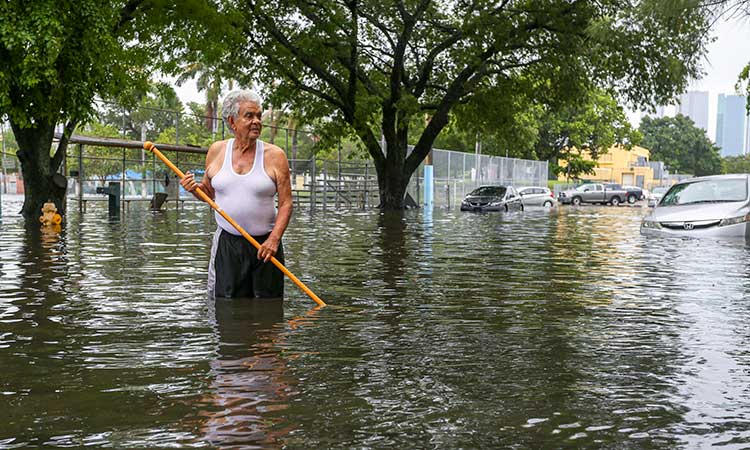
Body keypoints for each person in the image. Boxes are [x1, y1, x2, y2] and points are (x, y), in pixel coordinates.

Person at [181, 90, 293, 299]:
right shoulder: (216, 151)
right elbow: (209, 194)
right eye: (249, 116)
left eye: (259, 116)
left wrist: (274, 240)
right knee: (226, 309)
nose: (256, 121)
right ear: (232, 121)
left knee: (268, 311)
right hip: (228, 244)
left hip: (266, 245)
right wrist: (194, 189)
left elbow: (286, 203)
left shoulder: (275, 156)